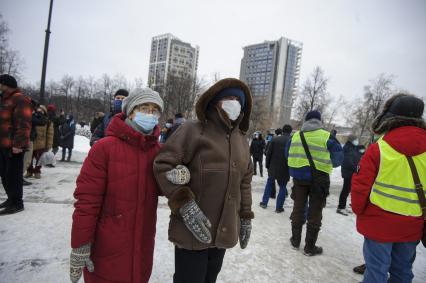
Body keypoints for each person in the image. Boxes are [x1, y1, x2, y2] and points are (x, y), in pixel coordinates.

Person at [153, 78, 254, 283]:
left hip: (223, 229)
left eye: (237, 99)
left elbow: (245, 181)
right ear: (215, 101)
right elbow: (163, 165)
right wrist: (184, 204)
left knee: (210, 279)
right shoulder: (192, 130)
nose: (233, 102)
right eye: (228, 98)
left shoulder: (241, 139)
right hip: (192, 228)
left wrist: (245, 216)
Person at [70, 88, 164, 283]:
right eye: (144, 108)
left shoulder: (158, 152)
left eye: (155, 110)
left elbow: (164, 188)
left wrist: (177, 175)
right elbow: (87, 201)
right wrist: (81, 244)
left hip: (142, 246)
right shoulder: (104, 148)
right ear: (130, 112)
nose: (150, 114)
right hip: (107, 246)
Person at [351, 94, 425, 283]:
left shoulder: (379, 149)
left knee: (376, 272)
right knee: (402, 272)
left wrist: (359, 210)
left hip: (378, 223)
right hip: (412, 225)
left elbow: (361, 186)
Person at [286, 110, 343, 256]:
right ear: (319, 121)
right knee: (315, 211)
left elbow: (287, 154)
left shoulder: (295, 136)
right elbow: (338, 160)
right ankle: (309, 247)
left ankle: (295, 240)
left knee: (298, 208)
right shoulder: (327, 136)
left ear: (306, 121)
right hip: (319, 179)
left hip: (299, 179)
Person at [0, 74, 32, 215]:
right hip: (2, 144)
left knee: (13, 175)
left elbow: (24, 123)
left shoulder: (20, 99)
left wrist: (18, 144)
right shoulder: (4, 99)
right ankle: (10, 199)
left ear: (5, 84)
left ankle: (17, 203)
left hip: (14, 146)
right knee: (4, 175)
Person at [260, 124, 292, 212]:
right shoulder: (292, 141)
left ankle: (264, 202)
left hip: (273, 167)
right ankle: (278, 208)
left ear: (283, 130)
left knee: (269, 184)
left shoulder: (275, 139)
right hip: (285, 168)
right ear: (290, 131)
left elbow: (269, 154)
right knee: (282, 187)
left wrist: (267, 165)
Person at [336, 134, 362, 216]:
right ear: (351, 140)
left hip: (351, 172)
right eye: (355, 139)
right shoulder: (348, 148)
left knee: (347, 190)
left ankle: (342, 206)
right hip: (348, 172)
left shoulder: (353, 148)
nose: (357, 141)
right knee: (345, 190)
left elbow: (356, 158)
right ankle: (340, 207)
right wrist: (356, 168)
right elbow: (348, 161)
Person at [25, 105, 53, 179]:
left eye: (41, 110)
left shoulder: (47, 121)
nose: (39, 111)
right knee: (29, 159)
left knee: (39, 160)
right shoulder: (32, 119)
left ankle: (37, 171)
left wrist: (48, 145)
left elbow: (50, 135)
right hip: (31, 142)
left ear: (44, 112)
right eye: (38, 110)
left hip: (41, 144)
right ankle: (29, 171)